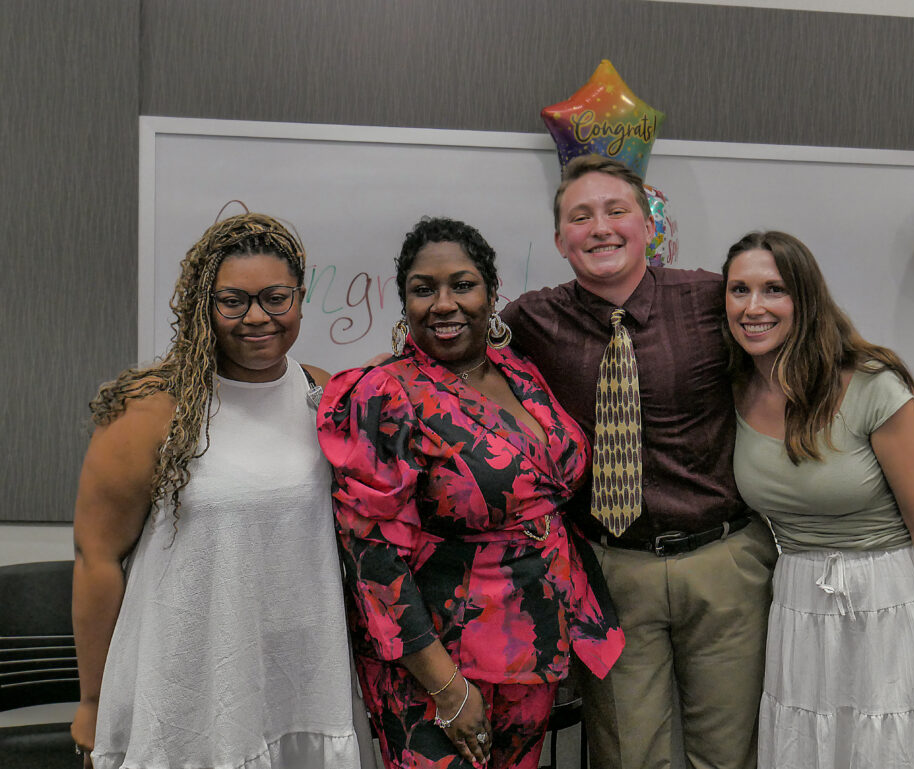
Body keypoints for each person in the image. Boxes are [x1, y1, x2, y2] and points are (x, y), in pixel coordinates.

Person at [316, 216, 625, 769]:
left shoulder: (518, 372)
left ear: (490, 293)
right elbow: (373, 559)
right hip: (439, 664)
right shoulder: (385, 395)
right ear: (404, 301)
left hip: (532, 648)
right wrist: (446, 688)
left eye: (461, 284)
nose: (443, 303)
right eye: (423, 289)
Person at [501, 155, 778, 769]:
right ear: (560, 240)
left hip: (724, 563)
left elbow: (801, 342)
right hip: (610, 571)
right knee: (628, 756)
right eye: (581, 216)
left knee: (729, 754)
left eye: (616, 210)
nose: (600, 227)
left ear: (648, 225)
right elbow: (446, 351)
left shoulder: (713, 298)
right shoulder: (530, 320)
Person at [71, 211, 372, 769]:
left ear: (301, 299)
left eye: (275, 298)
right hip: (186, 687)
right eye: (233, 300)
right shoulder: (152, 411)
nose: (256, 317)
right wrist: (91, 702)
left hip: (299, 680)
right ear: (203, 306)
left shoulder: (321, 392)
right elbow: (98, 560)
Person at [722, 230, 914, 768]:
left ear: (806, 298)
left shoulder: (870, 385)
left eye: (773, 289)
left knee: (888, 750)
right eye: (738, 290)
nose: (753, 307)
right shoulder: (733, 388)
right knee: (807, 750)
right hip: (798, 602)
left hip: (886, 598)